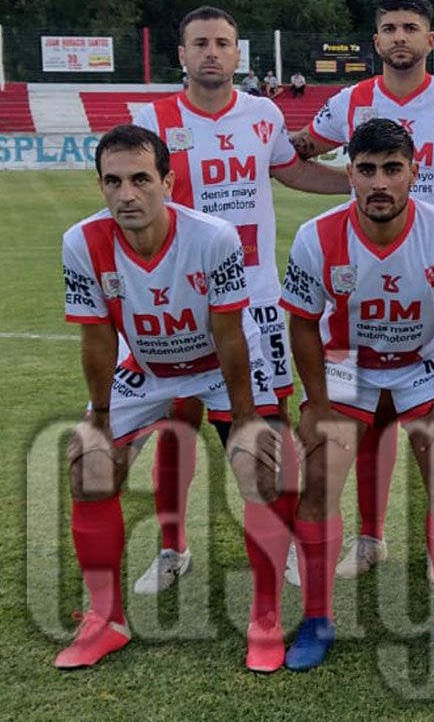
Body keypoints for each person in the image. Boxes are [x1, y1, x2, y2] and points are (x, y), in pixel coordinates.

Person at [131, 6, 347, 608]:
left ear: (236, 54)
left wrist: (354, 180)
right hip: (181, 300)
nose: (211, 52)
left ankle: (292, 540)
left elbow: (293, 172)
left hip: (255, 301)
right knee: (176, 424)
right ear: (182, 54)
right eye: (200, 43)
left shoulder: (264, 114)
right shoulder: (153, 121)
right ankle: (172, 547)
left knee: (270, 427)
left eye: (222, 43)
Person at [58, 125, 282, 670]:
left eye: (140, 179)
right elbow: (98, 339)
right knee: (88, 468)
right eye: (113, 182)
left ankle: (267, 619)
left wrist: (246, 418)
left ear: (168, 182)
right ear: (100, 185)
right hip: (147, 366)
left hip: (220, 364)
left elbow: (230, 334)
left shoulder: (213, 238)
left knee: (261, 469)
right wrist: (99, 417)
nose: (126, 194)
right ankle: (106, 620)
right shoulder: (81, 242)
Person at [290, 0, 434, 580]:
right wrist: (355, 191)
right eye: (390, 28)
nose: (400, 37)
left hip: (428, 281)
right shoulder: (350, 100)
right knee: (363, 427)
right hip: (359, 292)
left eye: (411, 27)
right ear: (376, 40)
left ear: (431, 39)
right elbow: (298, 153)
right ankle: (369, 538)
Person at [280, 118, 434, 672]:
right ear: (349, 173)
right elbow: (303, 324)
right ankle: (317, 618)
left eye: (392, 169)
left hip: (423, 362)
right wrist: (318, 406)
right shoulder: (316, 236)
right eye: (366, 170)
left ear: (414, 172)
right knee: (319, 478)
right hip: (349, 364)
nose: (379, 183)